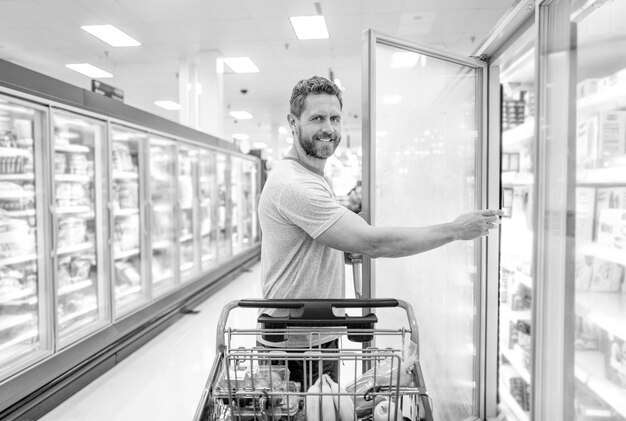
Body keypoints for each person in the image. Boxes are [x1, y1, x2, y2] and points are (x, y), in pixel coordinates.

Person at [257, 75, 502, 389]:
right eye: (316, 118)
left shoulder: (313, 175)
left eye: (334, 118)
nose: (328, 128)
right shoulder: (295, 184)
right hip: (294, 344)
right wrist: (455, 229)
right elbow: (373, 242)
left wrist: (342, 250)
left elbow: (309, 243)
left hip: (315, 331)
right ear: (293, 122)